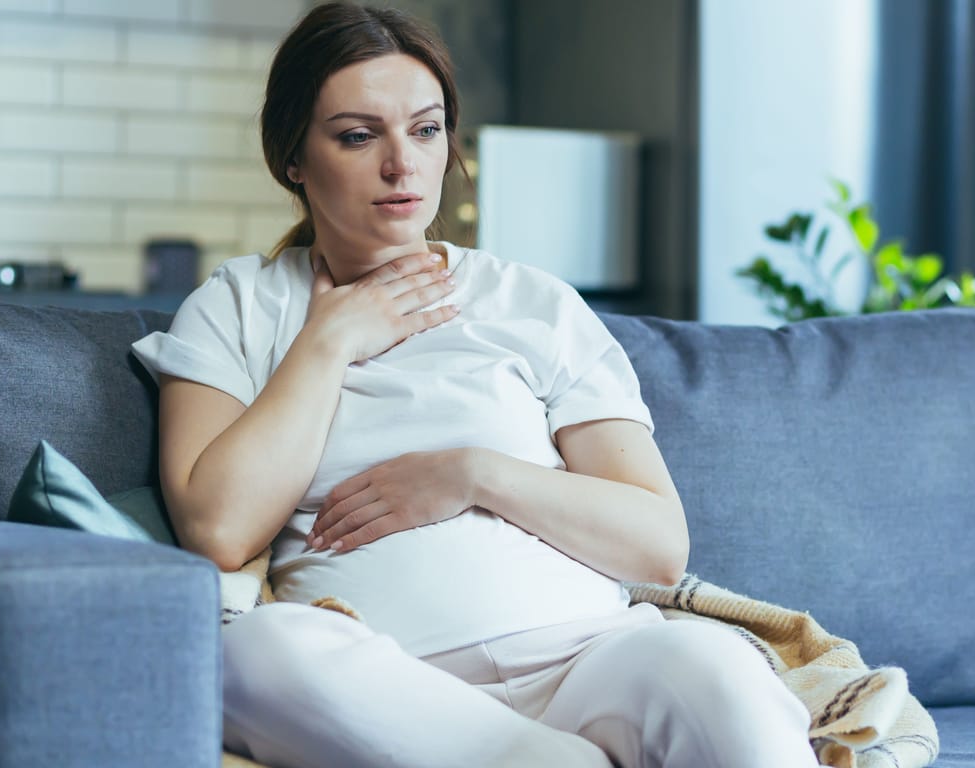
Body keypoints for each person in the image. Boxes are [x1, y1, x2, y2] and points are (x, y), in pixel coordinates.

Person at [132, 4, 825, 767]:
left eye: (426, 130)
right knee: (255, 653)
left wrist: (472, 474)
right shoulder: (238, 304)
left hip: (587, 661)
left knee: (716, 672)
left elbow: (658, 546)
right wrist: (332, 339)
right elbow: (219, 529)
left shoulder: (534, 301)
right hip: (386, 687)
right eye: (359, 136)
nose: (403, 165)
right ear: (292, 156)